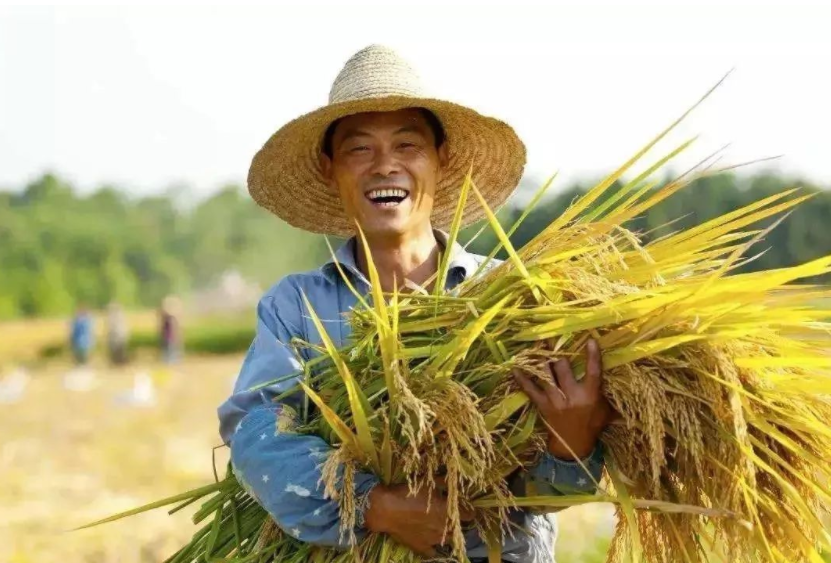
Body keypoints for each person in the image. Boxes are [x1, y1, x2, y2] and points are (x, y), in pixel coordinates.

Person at [218, 45, 613, 562]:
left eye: (408, 144)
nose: (386, 166)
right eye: (360, 150)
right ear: (329, 167)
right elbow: (257, 431)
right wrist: (373, 506)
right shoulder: (297, 308)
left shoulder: (511, 297)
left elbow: (550, 491)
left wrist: (572, 444)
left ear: (441, 158)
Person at [159, 296, 182, 364]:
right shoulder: (166, 318)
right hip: (167, 338)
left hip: (171, 338)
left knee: (172, 350)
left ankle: (172, 361)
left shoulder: (172, 318)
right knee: (168, 350)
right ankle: (169, 361)